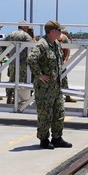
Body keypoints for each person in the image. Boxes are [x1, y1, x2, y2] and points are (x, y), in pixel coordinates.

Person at [29, 20, 71, 149]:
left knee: (59, 113)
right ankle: (44, 140)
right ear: (52, 31)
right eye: (59, 30)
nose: (61, 33)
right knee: (45, 115)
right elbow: (31, 59)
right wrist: (39, 75)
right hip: (45, 89)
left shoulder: (56, 44)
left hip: (56, 88)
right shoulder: (42, 44)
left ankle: (57, 138)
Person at [3, 21, 35, 105]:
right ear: (23, 27)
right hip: (22, 62)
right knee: (21, 80)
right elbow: (32, 47)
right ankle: (17, 98)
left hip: (12, 61)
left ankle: (9, 97)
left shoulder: (11, 34)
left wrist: (6, 54)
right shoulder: (25, 35)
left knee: (11, 79)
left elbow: (2, 43)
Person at [60, 28, 76, 102]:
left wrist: (66, 60)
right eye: (65, 33)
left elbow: (68, 49)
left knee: (64, 78)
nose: (65, 34)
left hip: (61, 61)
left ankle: (67, 96)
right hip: (54, 62)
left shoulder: (64, 38)